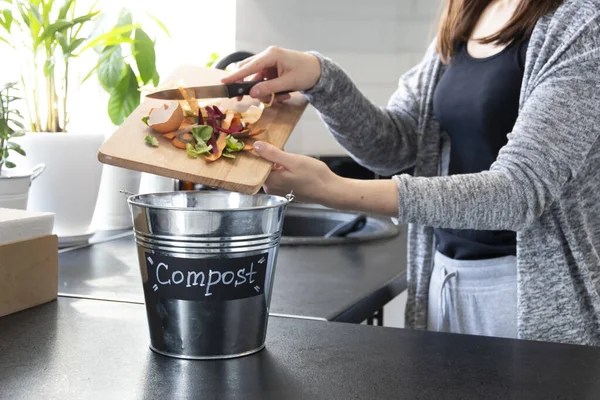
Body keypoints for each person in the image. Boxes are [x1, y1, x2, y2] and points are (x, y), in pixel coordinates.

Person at [222, 0, 600, 346]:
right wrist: (321, 78)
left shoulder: (581, 24)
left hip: (532, 298)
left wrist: (330, 189)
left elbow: (519, 192)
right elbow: (394, 146)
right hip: (442, 279)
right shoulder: (466, 14)